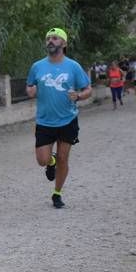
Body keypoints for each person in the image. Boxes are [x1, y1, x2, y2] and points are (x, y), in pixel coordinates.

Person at [26, 28, 92, 209]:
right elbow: (30, 86)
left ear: (63, 43)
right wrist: (30, 91)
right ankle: (50, 162)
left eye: (55, 38)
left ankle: (57, 193)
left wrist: (78, 96)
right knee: (42, 160)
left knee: (64, 158)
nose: (50, 41)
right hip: (44, 121)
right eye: (48, 38)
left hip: (67, 120)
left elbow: (88, 89)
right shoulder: (37, 66)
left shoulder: (73, 66)